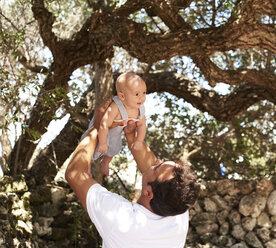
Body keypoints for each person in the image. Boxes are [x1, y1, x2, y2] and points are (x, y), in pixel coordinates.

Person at [65, 99, 200, 248]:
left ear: (148, 193)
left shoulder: (123, 220)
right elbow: (151, 168)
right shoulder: (178, 209)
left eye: (157, 167)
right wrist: (131, 134)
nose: (156, 161)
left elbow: (75, 174)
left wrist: (98, 125)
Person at [83, 72, 147, 177]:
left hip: (116, 133)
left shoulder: (140, 109)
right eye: (137, 94)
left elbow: (142, 125)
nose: (141, 97)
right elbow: (103, 124)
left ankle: (105, 162)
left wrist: (139, 141)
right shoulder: (115, 107)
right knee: (92, 147)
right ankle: (87, 166)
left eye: (144, 93)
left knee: (115, 148)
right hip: (102, 129)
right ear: (122, 96)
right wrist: (103, 143)